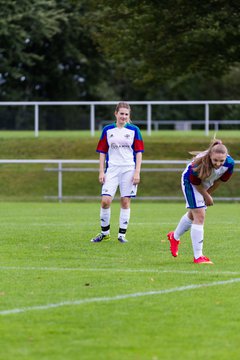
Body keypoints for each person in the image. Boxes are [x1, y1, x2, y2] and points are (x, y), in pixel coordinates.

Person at [167, 138, 235, 264]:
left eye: (222, 160)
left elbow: (219, 181)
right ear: (210, 156)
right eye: (215, 160)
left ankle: (174, 237)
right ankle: (198, 256)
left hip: (206, 183)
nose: (218, 163)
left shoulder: (230, 163)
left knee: (193, 214)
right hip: (191, 182)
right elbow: (196, 182)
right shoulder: (198, 164)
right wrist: (206, 196)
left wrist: (208, 194)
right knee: (200, 214)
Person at [91, 101, 144, 243]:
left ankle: (121, 235)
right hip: (112, 169)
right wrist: (101, 171)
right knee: (105, 201)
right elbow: (102, 152)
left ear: (129, 115)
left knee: (125, 202)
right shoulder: (107, 130)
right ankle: (104, 233)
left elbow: (139, 153)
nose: (124, 117)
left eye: (126, 114)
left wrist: (137, 172)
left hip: (128, 169)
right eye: (121, 114)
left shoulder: (134, 130)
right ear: (116, 114)